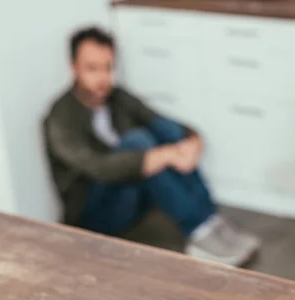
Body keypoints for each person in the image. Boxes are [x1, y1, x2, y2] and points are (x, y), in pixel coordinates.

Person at [44, 27, 259, 267]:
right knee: (138, 141)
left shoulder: (116, 97)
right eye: (92, 68)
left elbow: (158, 120)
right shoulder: (60, 117)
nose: (103, 77)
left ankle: (210, 221)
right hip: (93, 214)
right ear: (74, 67)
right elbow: (99, 168)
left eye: (108, 67)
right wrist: (164, 155)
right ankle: (199, 231)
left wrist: (190, 140)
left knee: (163, 134)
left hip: (131, 193)